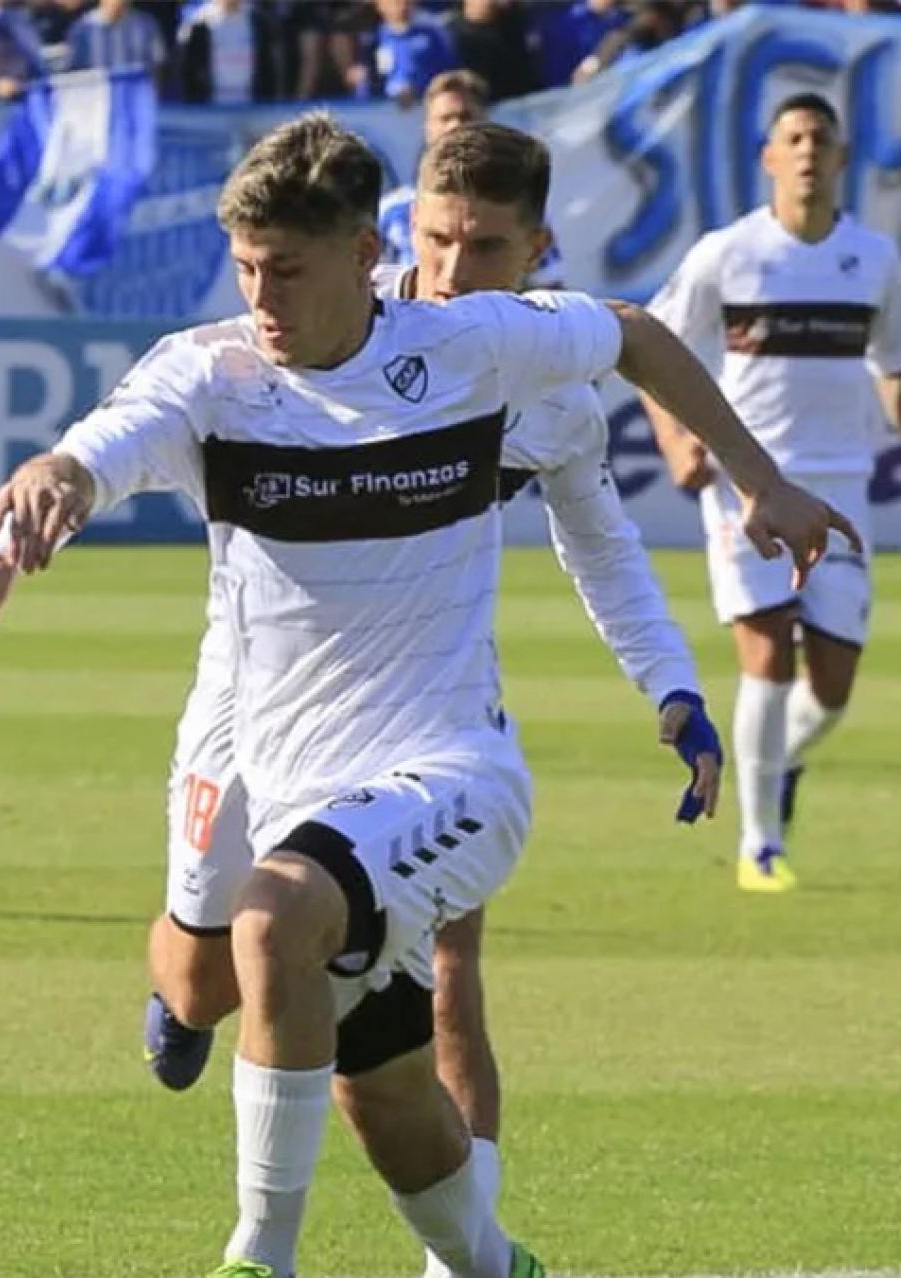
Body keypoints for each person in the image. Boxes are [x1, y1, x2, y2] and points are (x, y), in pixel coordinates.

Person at [0, 114, 855, 1278]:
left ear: (363, 256)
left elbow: (629, 338)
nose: (260, 297)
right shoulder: (210, 372)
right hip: (265, 748)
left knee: (280, 922)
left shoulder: (473, 350)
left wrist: (752, 502)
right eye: (246, 268)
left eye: (287, 270)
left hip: (447, 767)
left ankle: (255, 1257)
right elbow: (92, 453)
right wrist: (8, 534)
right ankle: (489, 1262)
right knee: (349, 1065)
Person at [125, 121, 778, 1278]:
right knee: (214, 978)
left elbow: (603, 547)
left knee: (428, 970)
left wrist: (671, 686)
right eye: (433, 239)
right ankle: (468, 1244)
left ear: (535, 249)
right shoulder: (308, 340)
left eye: (482, 247)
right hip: (252, 701)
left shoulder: (529, 374)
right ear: (395, 237)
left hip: (422, 726)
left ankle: (414, 1257)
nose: (449, 270)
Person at [645, 91, 901, 893]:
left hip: (840, 484)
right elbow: (650, 346)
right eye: (791, 138)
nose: (806, 152)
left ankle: (775, 763)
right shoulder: (729, 253)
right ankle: (761, 846)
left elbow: (891, 366)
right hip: (745, 480)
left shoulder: (877, 260)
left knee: (829, 689)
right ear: (768, 157)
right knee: (767, 653)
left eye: (819, 139)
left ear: (840, 158)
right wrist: (678, 438)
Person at [378, 70, 563, 287]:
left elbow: (552, 289)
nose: (455, 126)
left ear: (484, 121)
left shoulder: (513, 209)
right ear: (427, 127)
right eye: (445, 118)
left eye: (465, 116)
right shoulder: (390, 211)